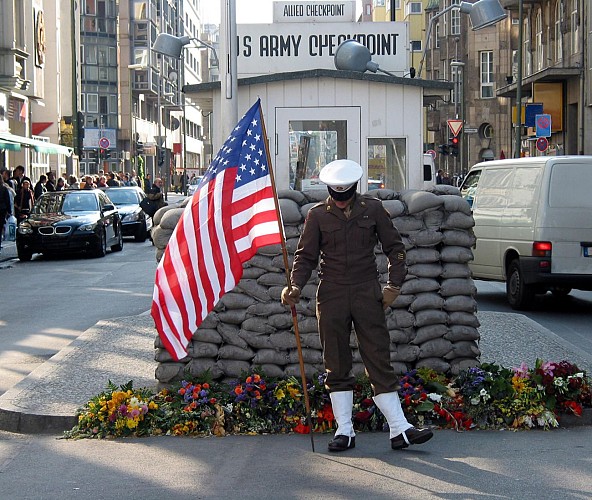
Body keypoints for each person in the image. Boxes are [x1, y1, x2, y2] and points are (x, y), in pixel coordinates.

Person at [281, 159, 433, 453]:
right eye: (335, 195)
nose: (339, 202)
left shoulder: (373, 209)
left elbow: (395, 249)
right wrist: (295, 285)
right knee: (335, 360)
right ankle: (345, 431)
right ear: (329, 191)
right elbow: (305, 257)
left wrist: (393, 286)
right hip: (332, 293)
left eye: (345, 195)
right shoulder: (317, 216)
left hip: (366, 291)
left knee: (377, 356)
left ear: (354, 190)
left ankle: (400, 429)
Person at [0, 177, 13, 254]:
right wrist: (9, 211)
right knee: (0, 227)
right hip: (2, 210)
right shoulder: (4, 189)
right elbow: (7, 200)